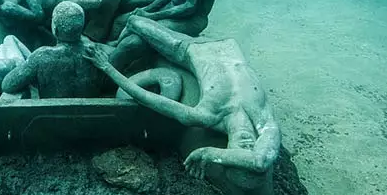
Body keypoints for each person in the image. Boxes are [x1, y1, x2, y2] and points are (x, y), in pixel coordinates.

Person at [84, 15, 281, 178]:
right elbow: (260, 161)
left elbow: (146, 97)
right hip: (227, 45)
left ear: (228, 148)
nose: (246, 146)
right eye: (250, 148)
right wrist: (216, 155)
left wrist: (107, 67)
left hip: (187, 48)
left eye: (238, 151)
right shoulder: (264, 119)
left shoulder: (206, 115)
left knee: (135, 22)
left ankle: (109, 46)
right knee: (135, 22)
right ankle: (114, 42)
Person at [1, 1, 104, 98]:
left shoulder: (42, 55)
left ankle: (16, 61)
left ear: (55, 29)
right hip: (88, 114)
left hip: (48, 115)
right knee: (9, 42)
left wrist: (24, 67)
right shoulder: (97, 56)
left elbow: (7, 85)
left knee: (6, 44)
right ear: (81, 27)